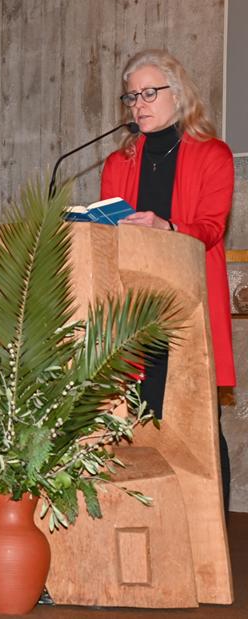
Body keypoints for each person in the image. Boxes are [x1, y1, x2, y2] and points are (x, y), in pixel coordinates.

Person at [100, 48, 235, 509]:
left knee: (196, 430)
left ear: (177, 94)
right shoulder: (118, 164)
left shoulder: (213, 154)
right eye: (131, 96)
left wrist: (168, 227)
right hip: (132, 314)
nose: (138, 104)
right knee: (131, 429)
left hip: (189, 309)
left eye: (149, 93)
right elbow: (106, 238)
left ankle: (206, 531)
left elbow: (211, 228)